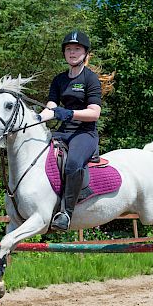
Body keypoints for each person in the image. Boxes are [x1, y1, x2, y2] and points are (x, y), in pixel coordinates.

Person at [37, 31, 102, 232]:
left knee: (73, 163)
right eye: (68, 49)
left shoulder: (91, 79)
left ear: (85, 53)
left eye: (76, 49)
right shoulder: (59, 80)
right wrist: (37, 119)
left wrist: (70, 113)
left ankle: (66, 213)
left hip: (85, 134)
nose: (72, 53)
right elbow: (51, 107)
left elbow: (94, 113)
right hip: (63, 132)